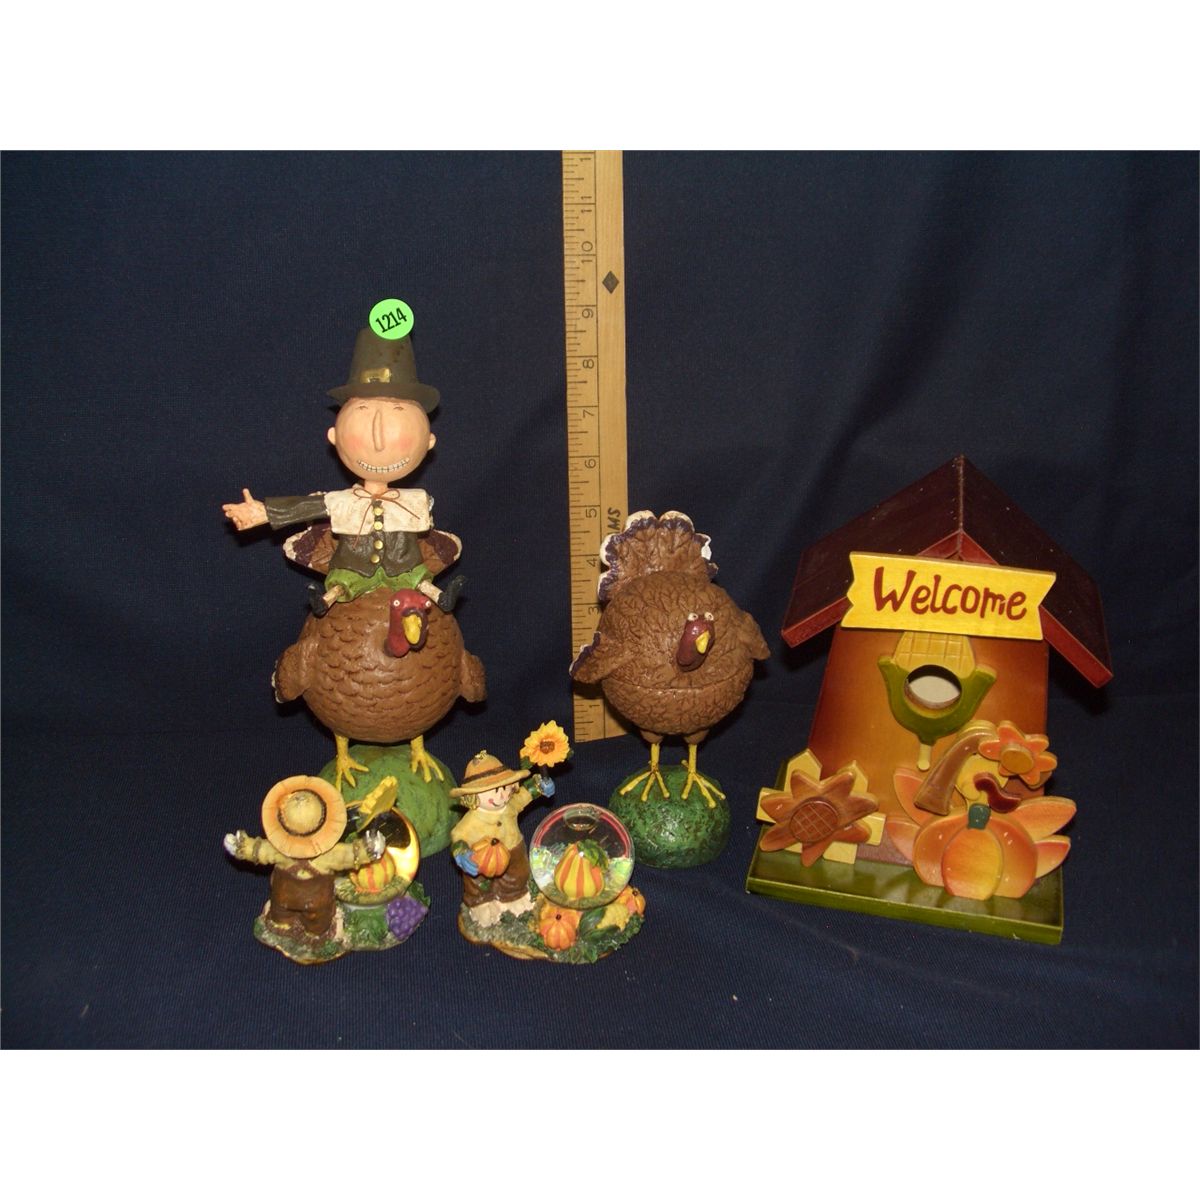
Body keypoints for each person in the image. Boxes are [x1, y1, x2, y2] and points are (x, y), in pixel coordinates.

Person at [222, 328, 464, 615]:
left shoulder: (414, 501)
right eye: (362, 410)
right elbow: (307, 506)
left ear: (429, 442)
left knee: (418, 578)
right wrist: (264, 512)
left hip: (403, 565)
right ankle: (325, 600)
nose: (378, 440)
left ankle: (439, 596)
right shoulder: (343, 502)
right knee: (343, 583)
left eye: (398, 411)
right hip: (354, 566)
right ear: (334, 436)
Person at [449, 752, 538, 925]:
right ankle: (480, 902)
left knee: (518, 874)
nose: (502, 796)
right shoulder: (472, 820)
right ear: (472, 796)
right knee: (477, 882)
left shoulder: (510, 806)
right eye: (495, 791)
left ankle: (514, 895)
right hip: (481, 857)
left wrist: (538, 786)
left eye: (505, 788)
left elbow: (524, 796)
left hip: (513, 849)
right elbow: (458, 835)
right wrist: (461, 852)